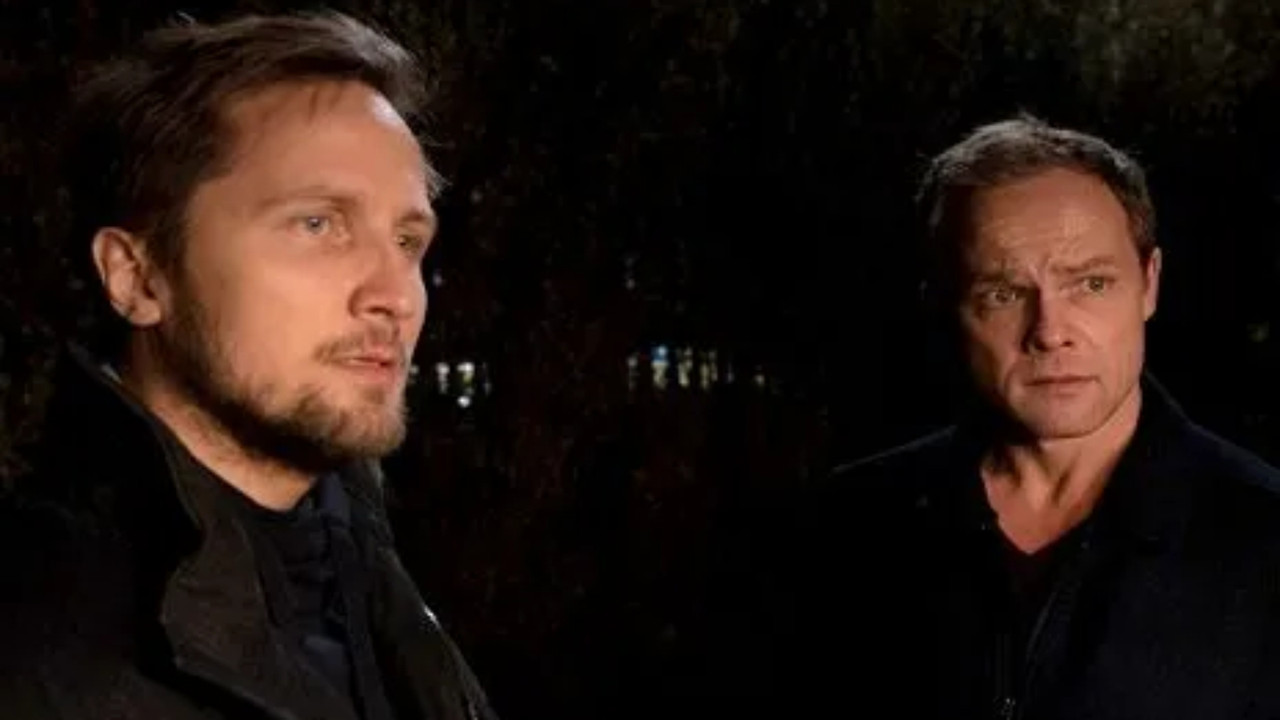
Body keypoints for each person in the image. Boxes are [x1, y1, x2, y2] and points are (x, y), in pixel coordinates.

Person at [0, 12, 496, 720]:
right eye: (318, 225)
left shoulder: (361, 558)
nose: (394, 296)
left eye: (407, 241)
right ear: (137, 277)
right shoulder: (42, 654)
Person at [783, 117, 1280, 718]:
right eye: (1003, 294)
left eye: (1091, 284)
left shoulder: (1262, 538)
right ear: (944, 302)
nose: (1049, 332)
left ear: (1149, 284)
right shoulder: (848, 527)